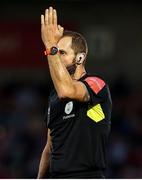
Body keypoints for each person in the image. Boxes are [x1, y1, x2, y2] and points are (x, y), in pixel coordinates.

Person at [37, 6, 112, 179]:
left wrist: (50, 46)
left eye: (62, 52)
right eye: (56, 52)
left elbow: (67, 90)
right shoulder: (53, 97)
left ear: (80, 58)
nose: (57, 57)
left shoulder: (96, 84)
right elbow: (49, 147)